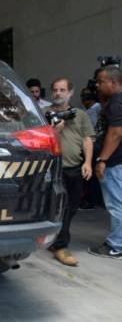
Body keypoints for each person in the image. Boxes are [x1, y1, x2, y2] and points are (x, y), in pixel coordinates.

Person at [44, 78, 94, 266]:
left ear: (70, 93)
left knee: (72, 208)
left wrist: (88, 162)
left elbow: (87, 139)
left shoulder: (79, 115)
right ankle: (60, 246)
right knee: (62, 207)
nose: (58, 93)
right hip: (53, 169)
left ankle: (55, 239)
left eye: (62, 90)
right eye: (55, 90)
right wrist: (54, 131)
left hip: (74, 168)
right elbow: (37, 138)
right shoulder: (43, 113)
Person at [89, 65, 122, 259]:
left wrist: (102, 159)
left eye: (101, 82)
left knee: (116, 204)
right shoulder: (114, 101)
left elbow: (116, 133)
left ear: (113, 82)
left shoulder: (117, 103)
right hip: (117, 162)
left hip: (114, 162)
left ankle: (116, 245)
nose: (98, 86)